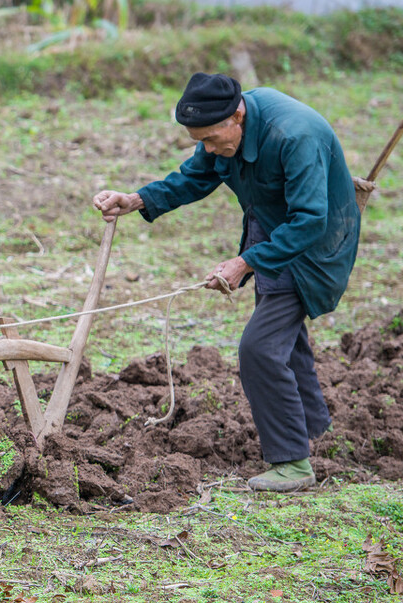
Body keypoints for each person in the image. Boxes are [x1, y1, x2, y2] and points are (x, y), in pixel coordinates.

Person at [92, 72, 360, 492]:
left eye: (214, 140)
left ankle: (292, 463)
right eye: (202, 141)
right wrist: (137, 199)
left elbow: (310, 220)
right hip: (269, 230)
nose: (211, 150)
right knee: (283, 340)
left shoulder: (294, 135)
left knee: (260, 348)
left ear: (238, 115)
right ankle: (313, 428)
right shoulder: (222, 131)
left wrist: (245, 262)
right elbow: (197, 175)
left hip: (314, 244)